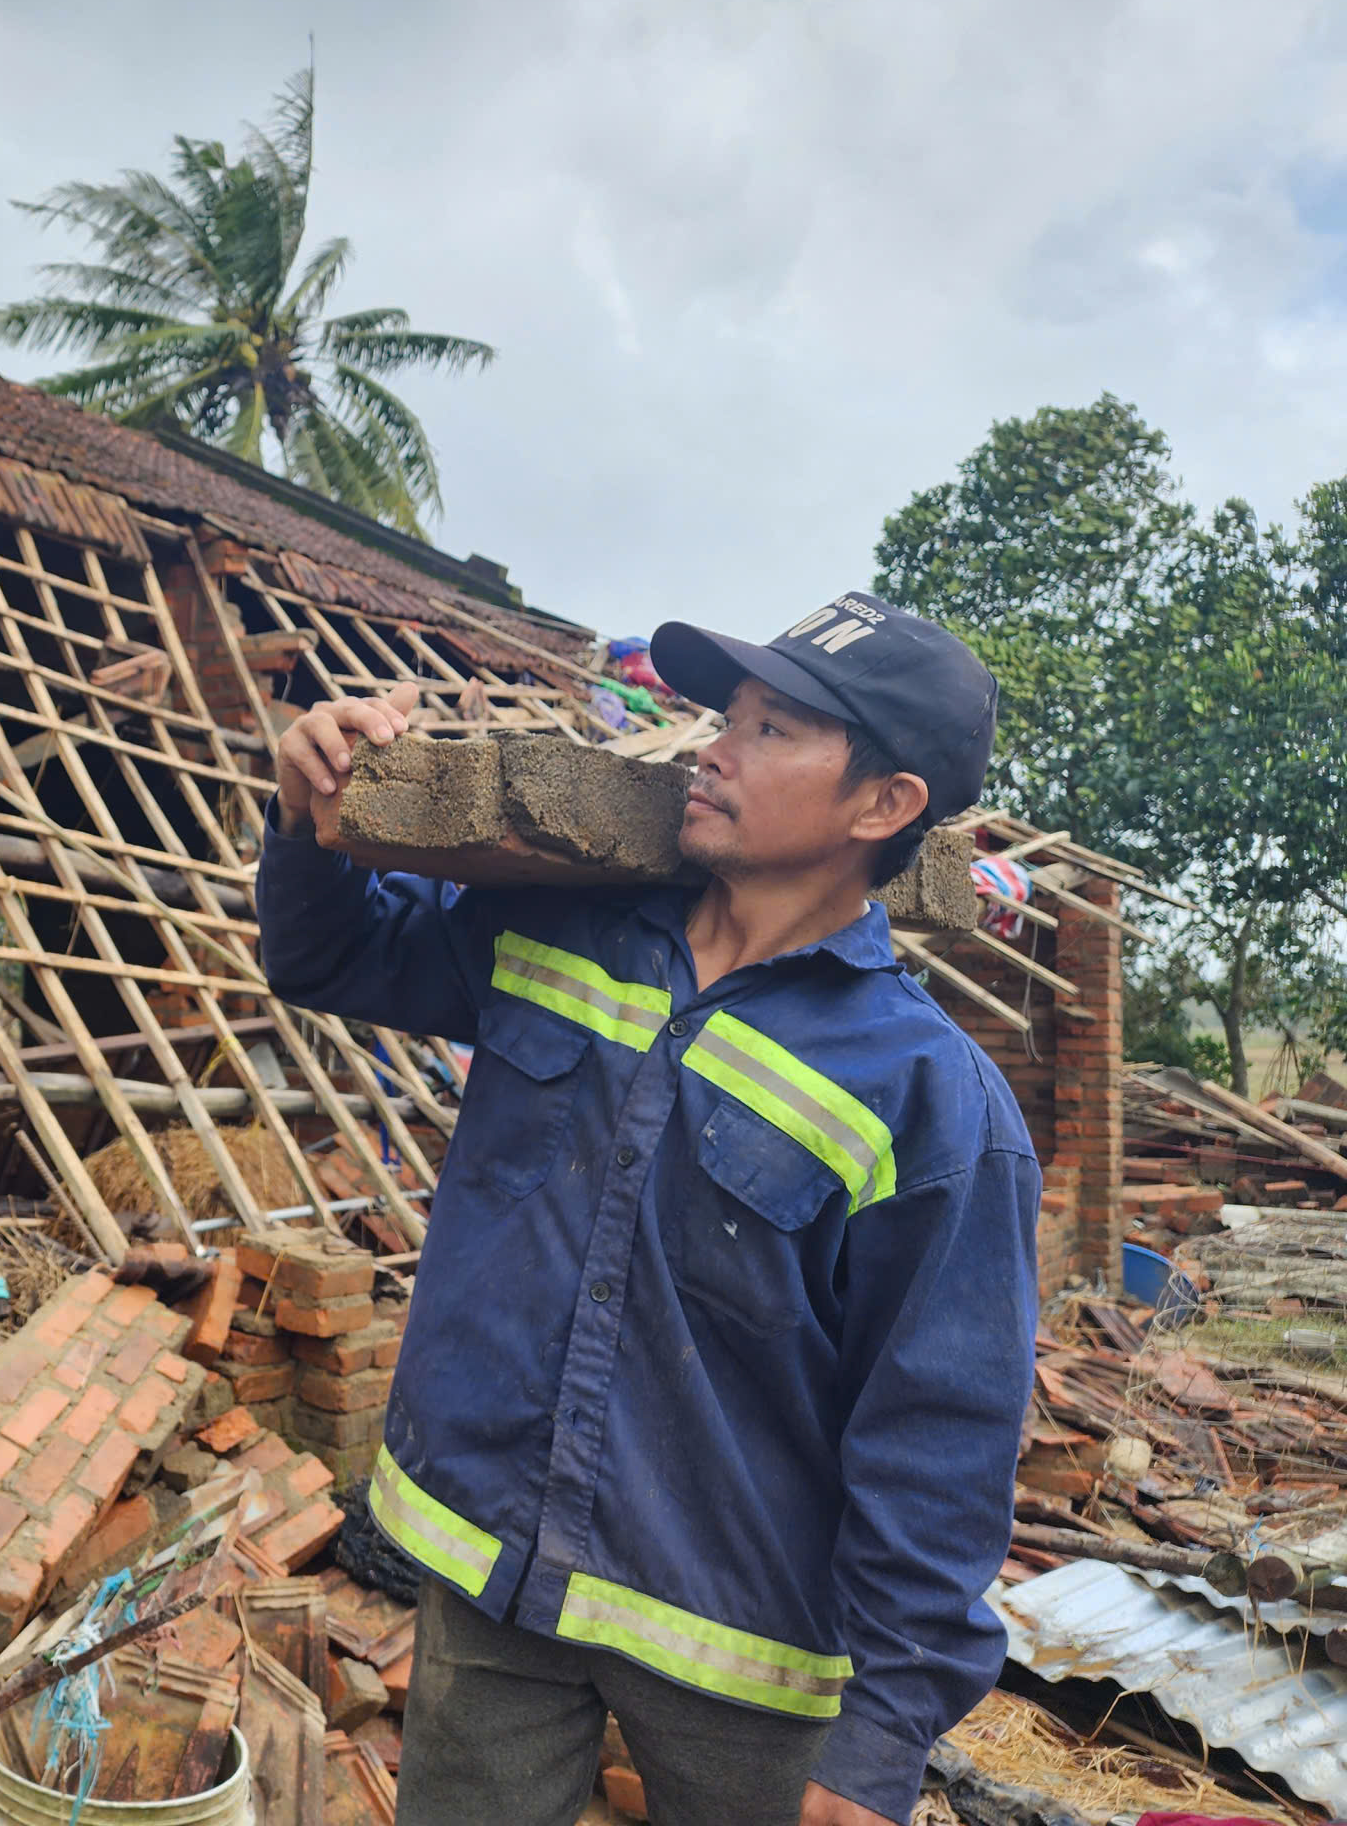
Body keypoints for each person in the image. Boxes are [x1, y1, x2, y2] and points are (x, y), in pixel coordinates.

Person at [256, 592, 1037, 1826]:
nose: (712, 747)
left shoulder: (930, 1102)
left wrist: (881, 1738)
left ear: (884, 807)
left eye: (776, 730)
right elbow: (324, 958)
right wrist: (305, 821)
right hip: (490, 1567)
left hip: (740, 1645)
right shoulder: (560, 932)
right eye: (727, 715)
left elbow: (940, 1430)